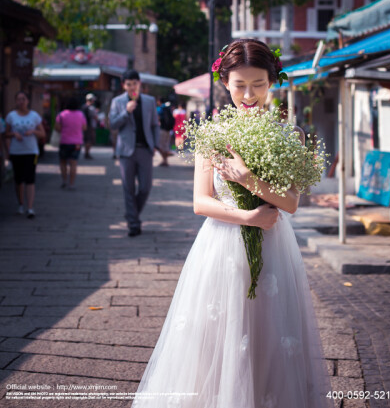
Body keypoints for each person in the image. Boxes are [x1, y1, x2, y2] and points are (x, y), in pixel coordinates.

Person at [131, 39, 333, 408]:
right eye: (240, 85)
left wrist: (247, 180)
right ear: (226, 83)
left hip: (273, 247)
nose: (249, 94)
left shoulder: (292, 135)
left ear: (273, 82)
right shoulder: (213, 134)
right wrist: (246, 215)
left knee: (269, 336)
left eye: (258, 84)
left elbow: (290, 203)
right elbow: (200, 201)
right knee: (218, 340)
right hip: (221, 245)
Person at [109, 70, 160, 237]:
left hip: (144, 149)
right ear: (124, 85)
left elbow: (154, 125)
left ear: (139, 83)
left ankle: (132, 214)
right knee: (128, 188)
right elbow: (113, 124)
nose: (132, 87)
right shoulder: (117, 102)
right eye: (128, 84)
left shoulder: (149, 101)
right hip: (126, 151)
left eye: (135, 83)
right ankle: (133, 224)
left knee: (146, 187)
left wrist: (155, 143)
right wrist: (126, 111)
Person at [5, 91, 45, 218]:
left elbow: (43, 134)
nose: (21, 101)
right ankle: (20, 204)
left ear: (28, 101)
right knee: (18, 180)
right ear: (15, 101)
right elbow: (5, 133)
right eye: (19, 99)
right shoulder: (11, 116)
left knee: (30, 179)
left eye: (23, 99)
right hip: (16, 151)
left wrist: (33, 131)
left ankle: (30, 207)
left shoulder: (34, 116)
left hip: (31, 151)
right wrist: (13, 134)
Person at [55, 96, 87, 190]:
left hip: (64, 141)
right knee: (73, 163)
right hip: (77, 143)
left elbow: (57, 128)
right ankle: (71, 183)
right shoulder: (81, 115)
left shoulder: (62, 114)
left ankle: (64, 180)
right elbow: (84, 128)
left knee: (63, 162)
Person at [158, 98, 174, 166]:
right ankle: (165, 160)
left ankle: (165, 158)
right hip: (168, 129)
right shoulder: (168, 108)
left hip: (162, 129)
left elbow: (157, 117)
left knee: (160, 145)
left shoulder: (160, 108)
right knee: (165, 145)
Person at [81, 93, 98, 159]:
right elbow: (95, 117)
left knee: (87, 140)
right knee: (89, 140)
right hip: (89, 126)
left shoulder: (83, 107)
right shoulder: (91, 108)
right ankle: (87, 153)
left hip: (84, 126)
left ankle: (86, 153)